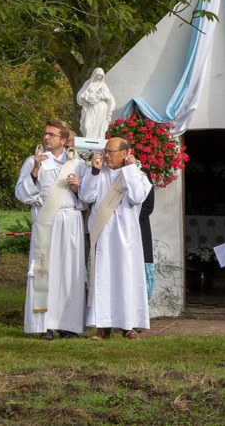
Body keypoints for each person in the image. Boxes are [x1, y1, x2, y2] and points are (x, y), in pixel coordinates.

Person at [15, 119, 86, 339]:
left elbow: (87, 199)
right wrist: (35, 171)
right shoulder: (34, 161)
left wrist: (76, 188)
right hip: (47, 220)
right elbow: (22, 194)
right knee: (45, 270)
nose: (46, 137)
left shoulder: (78, 164)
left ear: (64, 140)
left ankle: (69, 324)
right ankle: (44, 323)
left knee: (69, 271)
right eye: (45, 133)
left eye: (52, 135)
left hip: (70, 220)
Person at [79, 135, 151, 340]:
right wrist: (93, 171)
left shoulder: (136, 174)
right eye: (105, 151)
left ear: (125, 153)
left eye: (111, 152)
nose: (106, 155)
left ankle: (128, 325)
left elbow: (137, 196)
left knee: (126, 277)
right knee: (103, 278)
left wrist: (129, 169)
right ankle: (103, 326)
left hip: (126, 237)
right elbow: (86, 197)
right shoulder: (97, 173)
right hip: (102, 233)